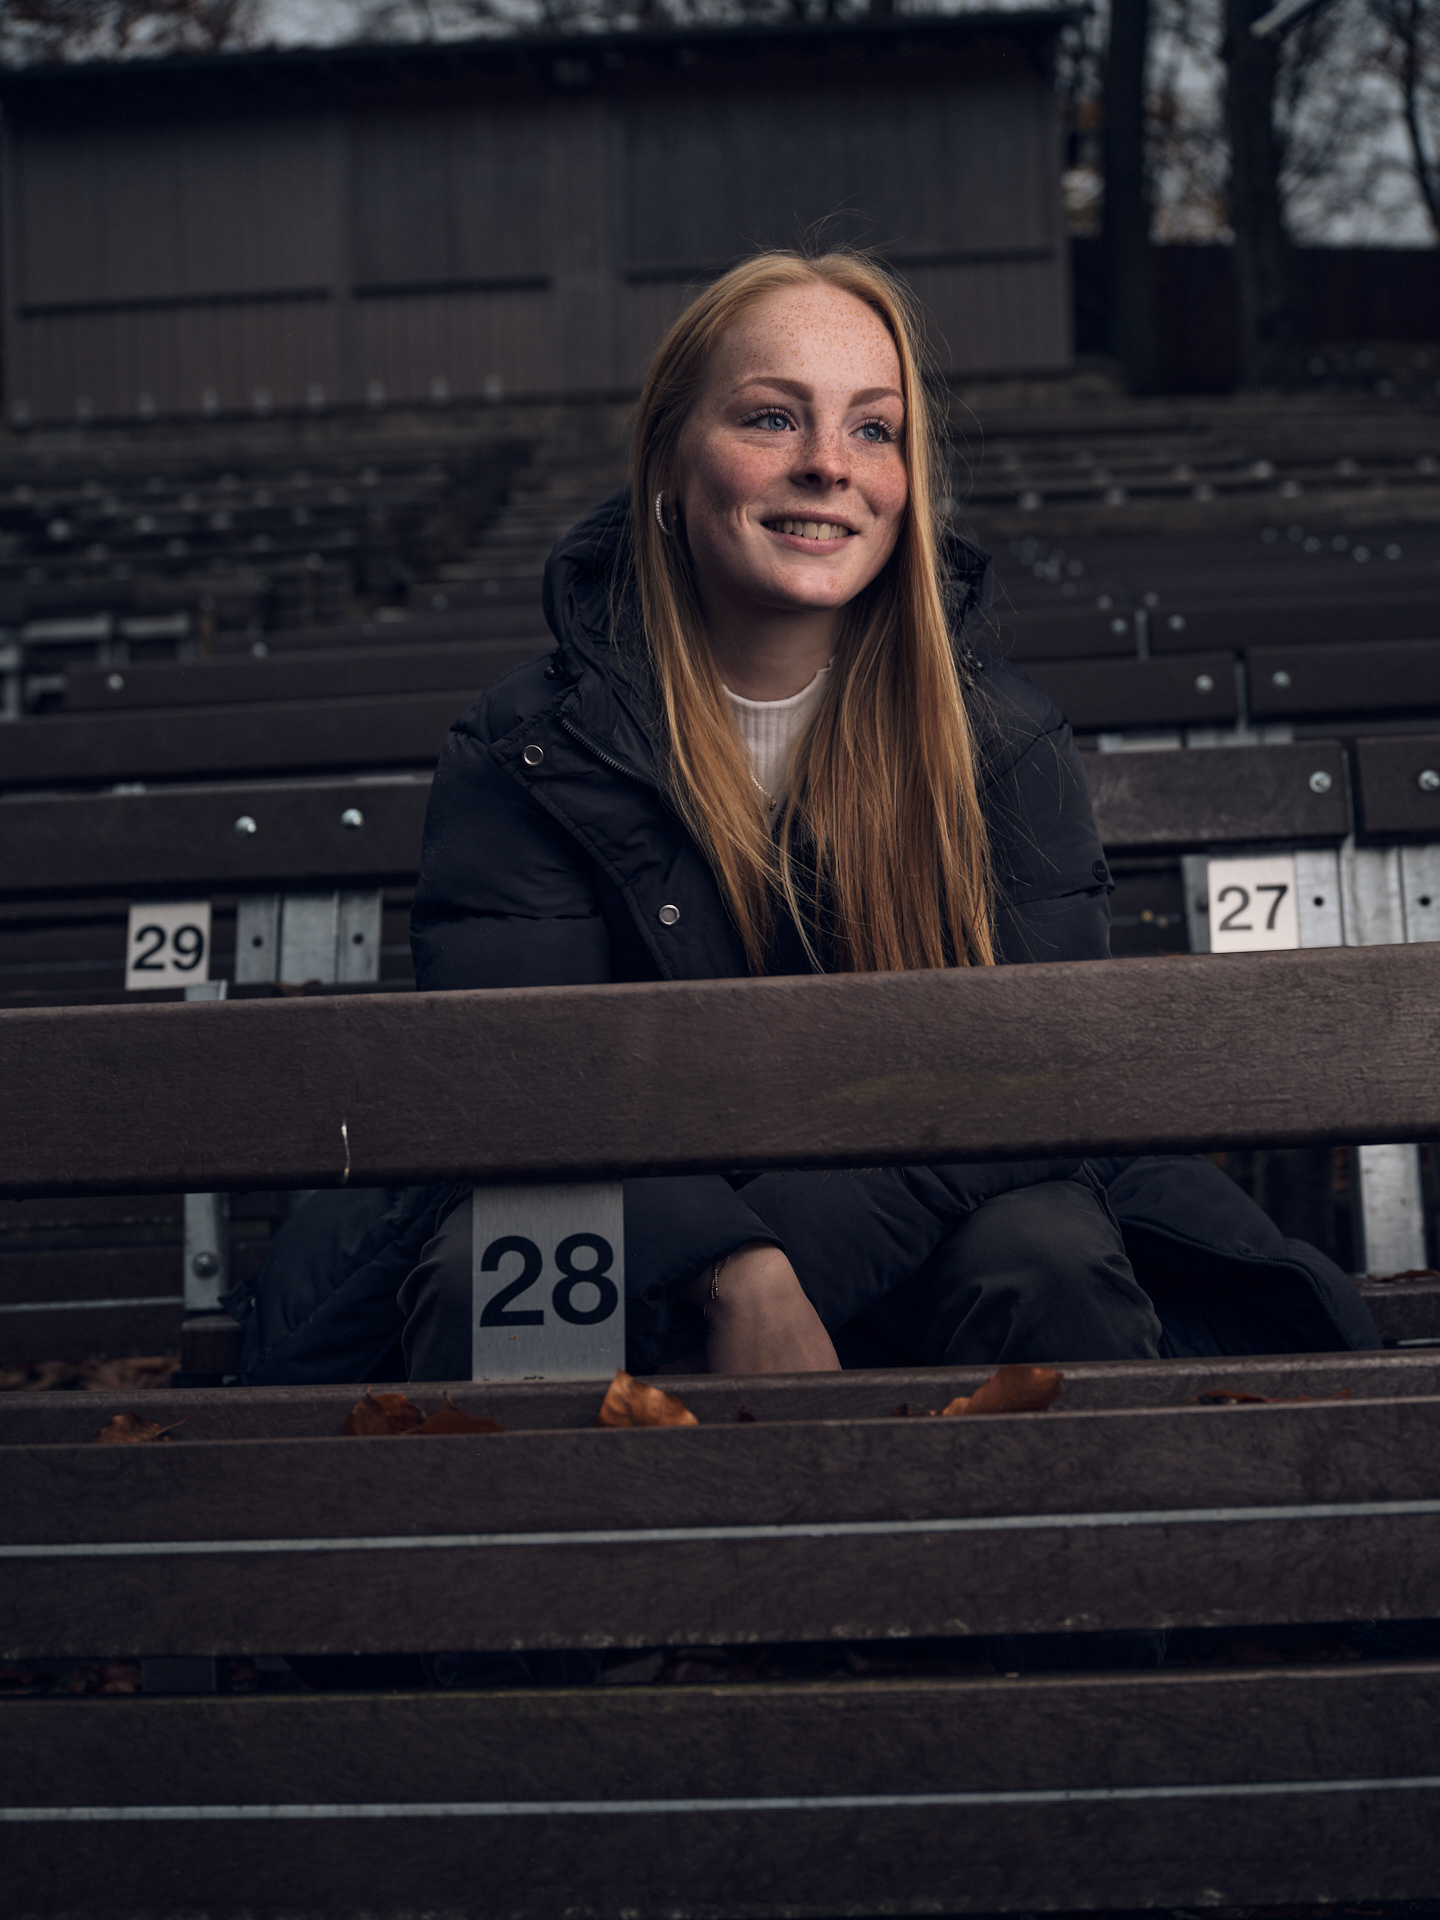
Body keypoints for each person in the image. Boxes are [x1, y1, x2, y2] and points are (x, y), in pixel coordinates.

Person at [229, 249, 1378, 1388]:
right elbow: (524, 1082)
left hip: (929, 1199)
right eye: (773, 419)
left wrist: (793, 1268)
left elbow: (1030, 1074)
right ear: (670, 465)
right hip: (625, 1203)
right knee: (506, 1266)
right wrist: (733, 1271)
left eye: (875, 430)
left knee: (1051, 1257)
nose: (831, 466)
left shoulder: (1001, 741)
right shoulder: (528, 745)